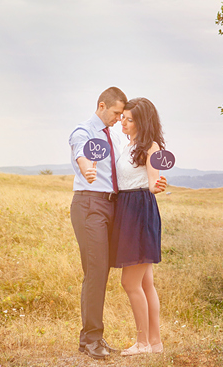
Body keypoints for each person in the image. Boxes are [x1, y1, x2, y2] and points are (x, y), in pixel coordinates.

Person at [68, 86, 127, 360]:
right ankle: (92, 340)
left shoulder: (113, 136)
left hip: (109, 206)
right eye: (116, 113)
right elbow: (80, 150)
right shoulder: (84, 131)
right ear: (102, 106)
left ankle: (89, 339)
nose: (118, 118)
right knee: (96, 271)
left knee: (99, 272)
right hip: (90, 204)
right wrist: (84, 166)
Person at [111, 97, 168, 355]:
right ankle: (154, 343)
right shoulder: (129, 144)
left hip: (138, 211)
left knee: (130, 283)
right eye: (122, 117)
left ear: (141, 122)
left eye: (129, 119)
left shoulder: (151, 148)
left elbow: (153, 182)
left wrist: (158, 186)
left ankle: (143, 343)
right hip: (129, 209)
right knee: (145, 284)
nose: (123, 121)